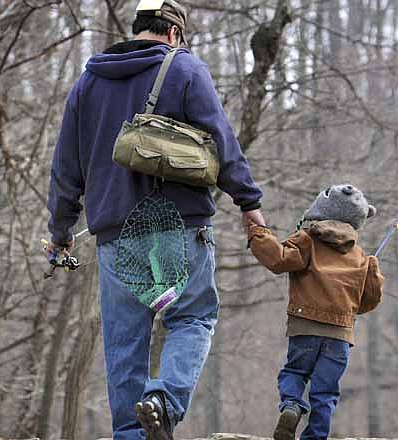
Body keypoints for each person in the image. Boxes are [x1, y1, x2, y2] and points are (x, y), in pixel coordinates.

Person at [44, 0, 265, 438]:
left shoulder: (89, 82)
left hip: (114, 235)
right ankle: (163, 400)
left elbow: (65, 165)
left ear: (139, 28)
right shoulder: (185, 70)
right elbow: (222, 142)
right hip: (179, 226)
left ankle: (130, 433)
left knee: (124, 342)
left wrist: (61, 232)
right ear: (173, 34)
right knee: (193, 318)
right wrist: (249, 203)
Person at [246, 184, 383, 440]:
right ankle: (316, 436)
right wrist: (371, 272)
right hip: (340, 336)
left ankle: (291, 405)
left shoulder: (306, 239)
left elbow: (278, 260)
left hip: (305, 328)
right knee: (325, 391)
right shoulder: (360, 256)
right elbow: (368, 301)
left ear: (319, 210)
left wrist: (257, 232)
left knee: (295, 372)